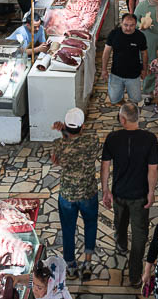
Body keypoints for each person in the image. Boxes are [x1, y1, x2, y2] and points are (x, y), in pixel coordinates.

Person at [101, 102, 158, 288]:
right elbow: (153, 169)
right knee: (139, 234)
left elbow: (105, 166)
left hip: (119, 194)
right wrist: (151, 192)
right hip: (140, 196)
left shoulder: (112, 138)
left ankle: (120, 245)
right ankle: (135, 275)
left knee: (120, 222)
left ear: (122, 119)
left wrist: (105, 190)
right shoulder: (150, 139)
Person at [51, 107, 100, 282]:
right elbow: (80, 141)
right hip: (88, 193)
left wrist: (63, 131)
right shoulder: (92, 140)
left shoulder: (58, 145)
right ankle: (87, 262)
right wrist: (66, 129)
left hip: (67, 195)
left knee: (68, 229)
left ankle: (71, 265)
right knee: (90, 224)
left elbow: (56, 159)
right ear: (83, 126)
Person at [103, 13, 148, 106]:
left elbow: (144, 53)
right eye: (126, 25)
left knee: (135, 100)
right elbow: (106, 52)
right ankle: (124, 109)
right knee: (114, 99)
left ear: (136, 25)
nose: (128, 28)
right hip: (116, 74)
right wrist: (104, 70)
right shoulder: (114, 34)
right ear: (121, 23)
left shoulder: (140, 36)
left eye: (132, 25)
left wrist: (144, 69)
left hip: (134, 75)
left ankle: (129, 113)